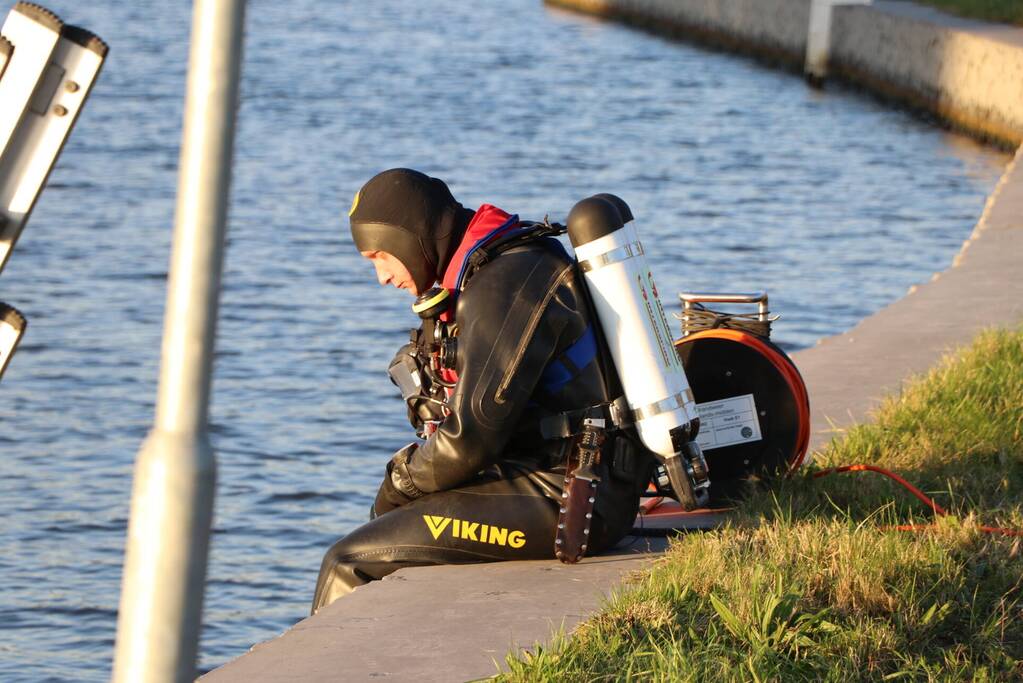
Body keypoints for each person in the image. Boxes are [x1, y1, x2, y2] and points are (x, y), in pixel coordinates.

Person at [311, 168, 654, 612]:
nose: (381, 276)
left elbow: (468, 441)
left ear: (409, 236)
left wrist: (399, 481)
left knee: (348, 560)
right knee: (390, 532)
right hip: (565, 477)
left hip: (571, 498)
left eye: (380, 256)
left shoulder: (503, 284)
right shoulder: (503, 265)